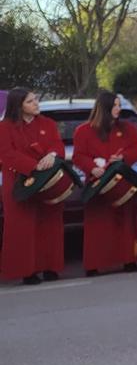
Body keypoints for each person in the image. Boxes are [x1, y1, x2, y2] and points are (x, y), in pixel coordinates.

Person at [73, 90, 137, 276]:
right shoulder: (83, 131)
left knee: (126, 222)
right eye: (115, 105)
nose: (118, 109)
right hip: (98, 186)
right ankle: (94, 264)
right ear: (104, 108)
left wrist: (122, 158)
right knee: (98, 226)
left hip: (122, 185)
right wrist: (91, 167)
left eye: (119, 105)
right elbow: (78, 156)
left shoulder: (128, 128)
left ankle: (129, 260)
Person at [0, 88, 65, 285]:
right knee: (23, 226)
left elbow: (57, 145)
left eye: (36, 99)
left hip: (47, 182)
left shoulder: (48, 124)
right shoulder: (4, 128)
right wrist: (32, 165)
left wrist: (52, 155)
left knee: (49, 223)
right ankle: (27, 271)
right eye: (30, 101)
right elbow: (6, 154)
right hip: (19, 182)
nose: (36, 103)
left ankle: (50, 267)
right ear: (18, 106)